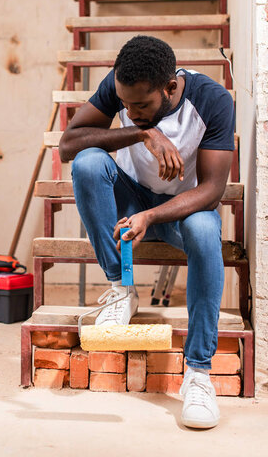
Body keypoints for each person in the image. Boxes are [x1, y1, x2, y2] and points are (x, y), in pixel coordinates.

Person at [59, 35, 235, 429]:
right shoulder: (123, 86)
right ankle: (120, 289)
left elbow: (211, 190)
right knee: (88, 163)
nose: (130, 110)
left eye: (142, 106)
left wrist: (151, 217)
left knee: (207, 231)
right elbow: (70, 143)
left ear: (170, 87)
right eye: (124, 104)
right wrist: (142, 133)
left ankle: (198, 374)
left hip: (182, 211)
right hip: (131, 200)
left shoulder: (212, 100)